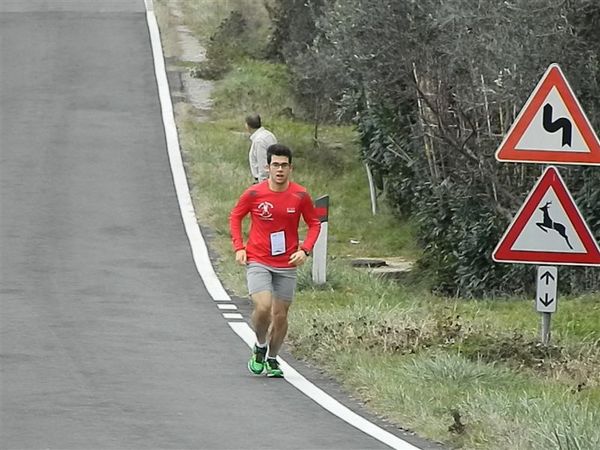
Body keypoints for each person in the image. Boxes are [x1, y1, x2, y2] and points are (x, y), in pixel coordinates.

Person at [229, 144, 321, 377]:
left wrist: (305, 250)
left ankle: (272, 358)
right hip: (258, 259)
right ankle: (260, 345)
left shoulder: (300, 195)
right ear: (267, 167)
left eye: (284, 165)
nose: (280, 170)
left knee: (280, 316)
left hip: (287, 263)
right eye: (275, 165)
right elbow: (236, 216)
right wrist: (239, 247)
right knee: (263, 307)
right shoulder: (254, 194)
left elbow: (314, 223)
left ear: (291, 168)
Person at [245, 114, 277, 183]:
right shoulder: (269, 135)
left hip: (265, 181)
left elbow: (263, 164)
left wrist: (262, 184)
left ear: (248, 126)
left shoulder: (259, 141)